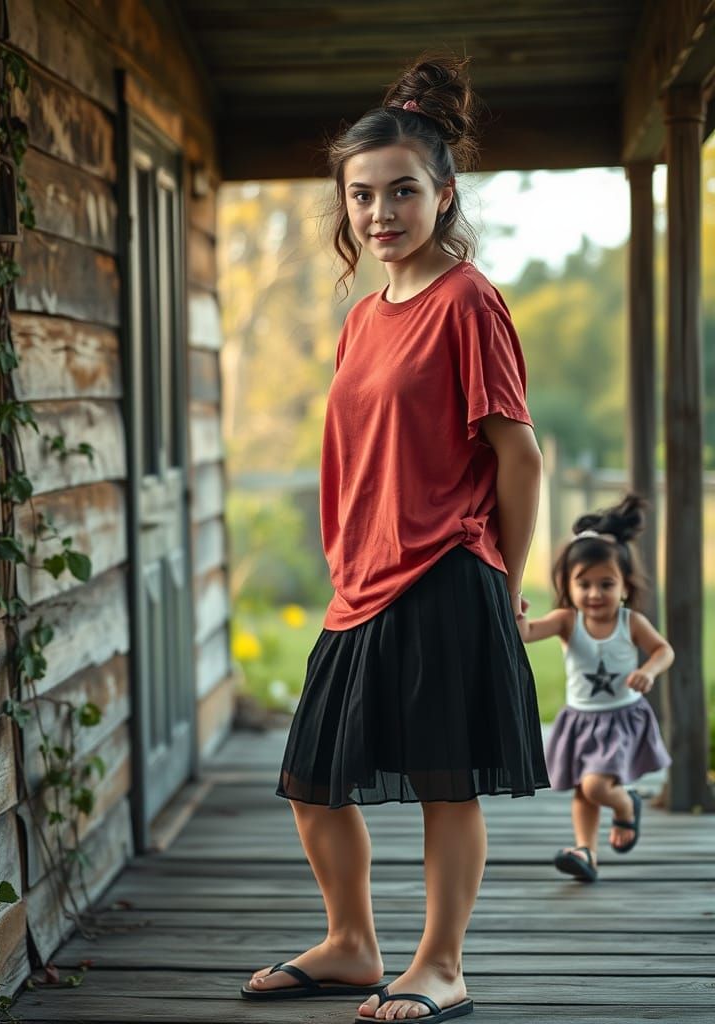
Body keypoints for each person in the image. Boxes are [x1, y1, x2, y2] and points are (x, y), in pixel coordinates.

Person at [241, 54, 549, 1023]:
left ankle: (441, 964)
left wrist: (504, 579)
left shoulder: (469, 302)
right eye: (363, 195)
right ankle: (350, 944)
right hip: (362, 585)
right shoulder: (364, 319)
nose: (382, 213)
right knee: (313, 782)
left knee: (443, 787)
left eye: (403, 191)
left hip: (448, 571)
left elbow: (519, 455)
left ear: (443, 193)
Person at [517, 495, 674, 883]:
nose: (594, 594)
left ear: (624, 587)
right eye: (583, 584)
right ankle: (586, 851)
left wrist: (649, 671)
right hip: (580, 720)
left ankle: (626, 805)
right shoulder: (566, 621)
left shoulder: (629, 622)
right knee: (582, 791)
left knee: (595, 785)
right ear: (567, 586)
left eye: (606, 584)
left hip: (621, 719)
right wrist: (517, 612)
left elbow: (664, 650)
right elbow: (527, 633)